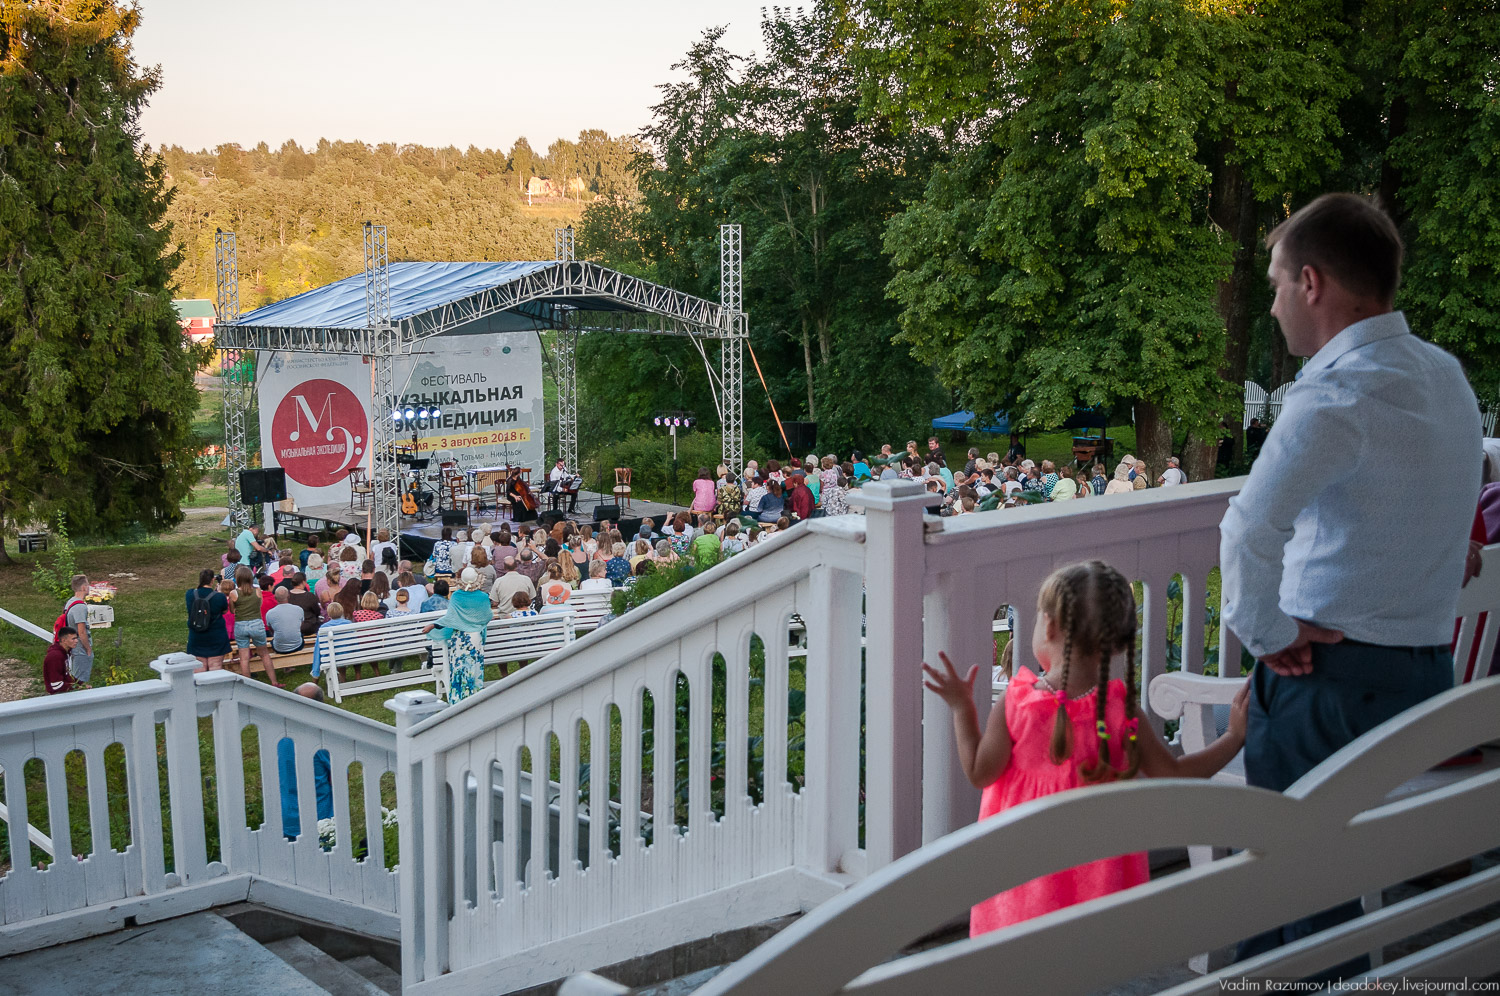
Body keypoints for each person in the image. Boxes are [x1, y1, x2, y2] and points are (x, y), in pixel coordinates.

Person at [1219, 193, 1482, 976]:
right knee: (1331, 884)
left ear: (1312, 283)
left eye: (1275, 285)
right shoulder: (1445, 377)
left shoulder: (1335, 395)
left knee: (1293, 898)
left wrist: (1270, 637)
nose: (1272, 306)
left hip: (1326, 688)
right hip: (1425, 680)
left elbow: (1246, 531)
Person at [923, 560, 1248, 935]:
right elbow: (1176, 773)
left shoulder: (1018, 705)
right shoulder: (1121, 712)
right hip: (1099, 893)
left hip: (1024, 890)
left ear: (1049, 626)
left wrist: (962, 708)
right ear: (1118, 640)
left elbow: (979, 772)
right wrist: (1233, 737)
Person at [423, 568, 493, 702]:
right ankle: (475, 697)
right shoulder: (483, 597)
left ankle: (458, 698)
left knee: (459, 669)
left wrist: (434, 625)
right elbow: (487, 616)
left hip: (460, 638)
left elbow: (450, 618)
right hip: (475, 638)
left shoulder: (456, 596)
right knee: (475, 669)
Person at [277, 684, 333, 841]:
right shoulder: (321, 738)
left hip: (287, 817)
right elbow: (339, 777)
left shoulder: (279, 735)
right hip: (319, 820)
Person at [228, 566, 280, 686]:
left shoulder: (233, 593)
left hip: (241, 624)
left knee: (244, 657)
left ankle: (248, 684)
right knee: (264, 654)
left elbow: (232, 610)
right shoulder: (257, 591)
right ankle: (274, 681)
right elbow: (259, 605)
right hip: (256, 623)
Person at [186, 568, 232, 670]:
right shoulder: (219, 597)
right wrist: (218, 590)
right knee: (215, 667)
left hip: (196, 635)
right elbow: (224, 611)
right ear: (212, 580)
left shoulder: (190, 594)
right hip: (216, 635)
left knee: (199, 668)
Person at [63, 574, 94, 687]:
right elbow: (81, 632)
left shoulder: (70, 602)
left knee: (75, 677)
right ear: (83, 587)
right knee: (80, 681)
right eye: (88, 585)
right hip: (80, 648)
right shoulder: (80, 607)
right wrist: (88, 649)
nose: (89, 587)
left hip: (72, 645)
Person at [309, 602, 353, 679]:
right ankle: (343, 679)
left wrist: (316, 669)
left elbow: (318, 648)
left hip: (330, 657)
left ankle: (315, 678)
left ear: (328, 614)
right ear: (342, 612)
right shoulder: (349, 624)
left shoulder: (324, 628)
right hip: (349, 655)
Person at [265, 587, 307, 654]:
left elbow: (272, 630)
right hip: (297, 645)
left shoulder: (270, 613)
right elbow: (300, 626)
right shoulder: (299, 609)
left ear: (275, 598)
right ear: (288, 596)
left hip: (279, 648)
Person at [45, 628, 79, 694]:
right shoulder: (55, 656)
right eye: (73, 639)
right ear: (64, 640)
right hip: (58, 694)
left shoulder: (66, 652)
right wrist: (78, 687)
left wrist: (80, 683)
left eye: (76, 638)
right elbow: (56, 685)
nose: (76, 641)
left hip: (66, 691)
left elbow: (67, 675)